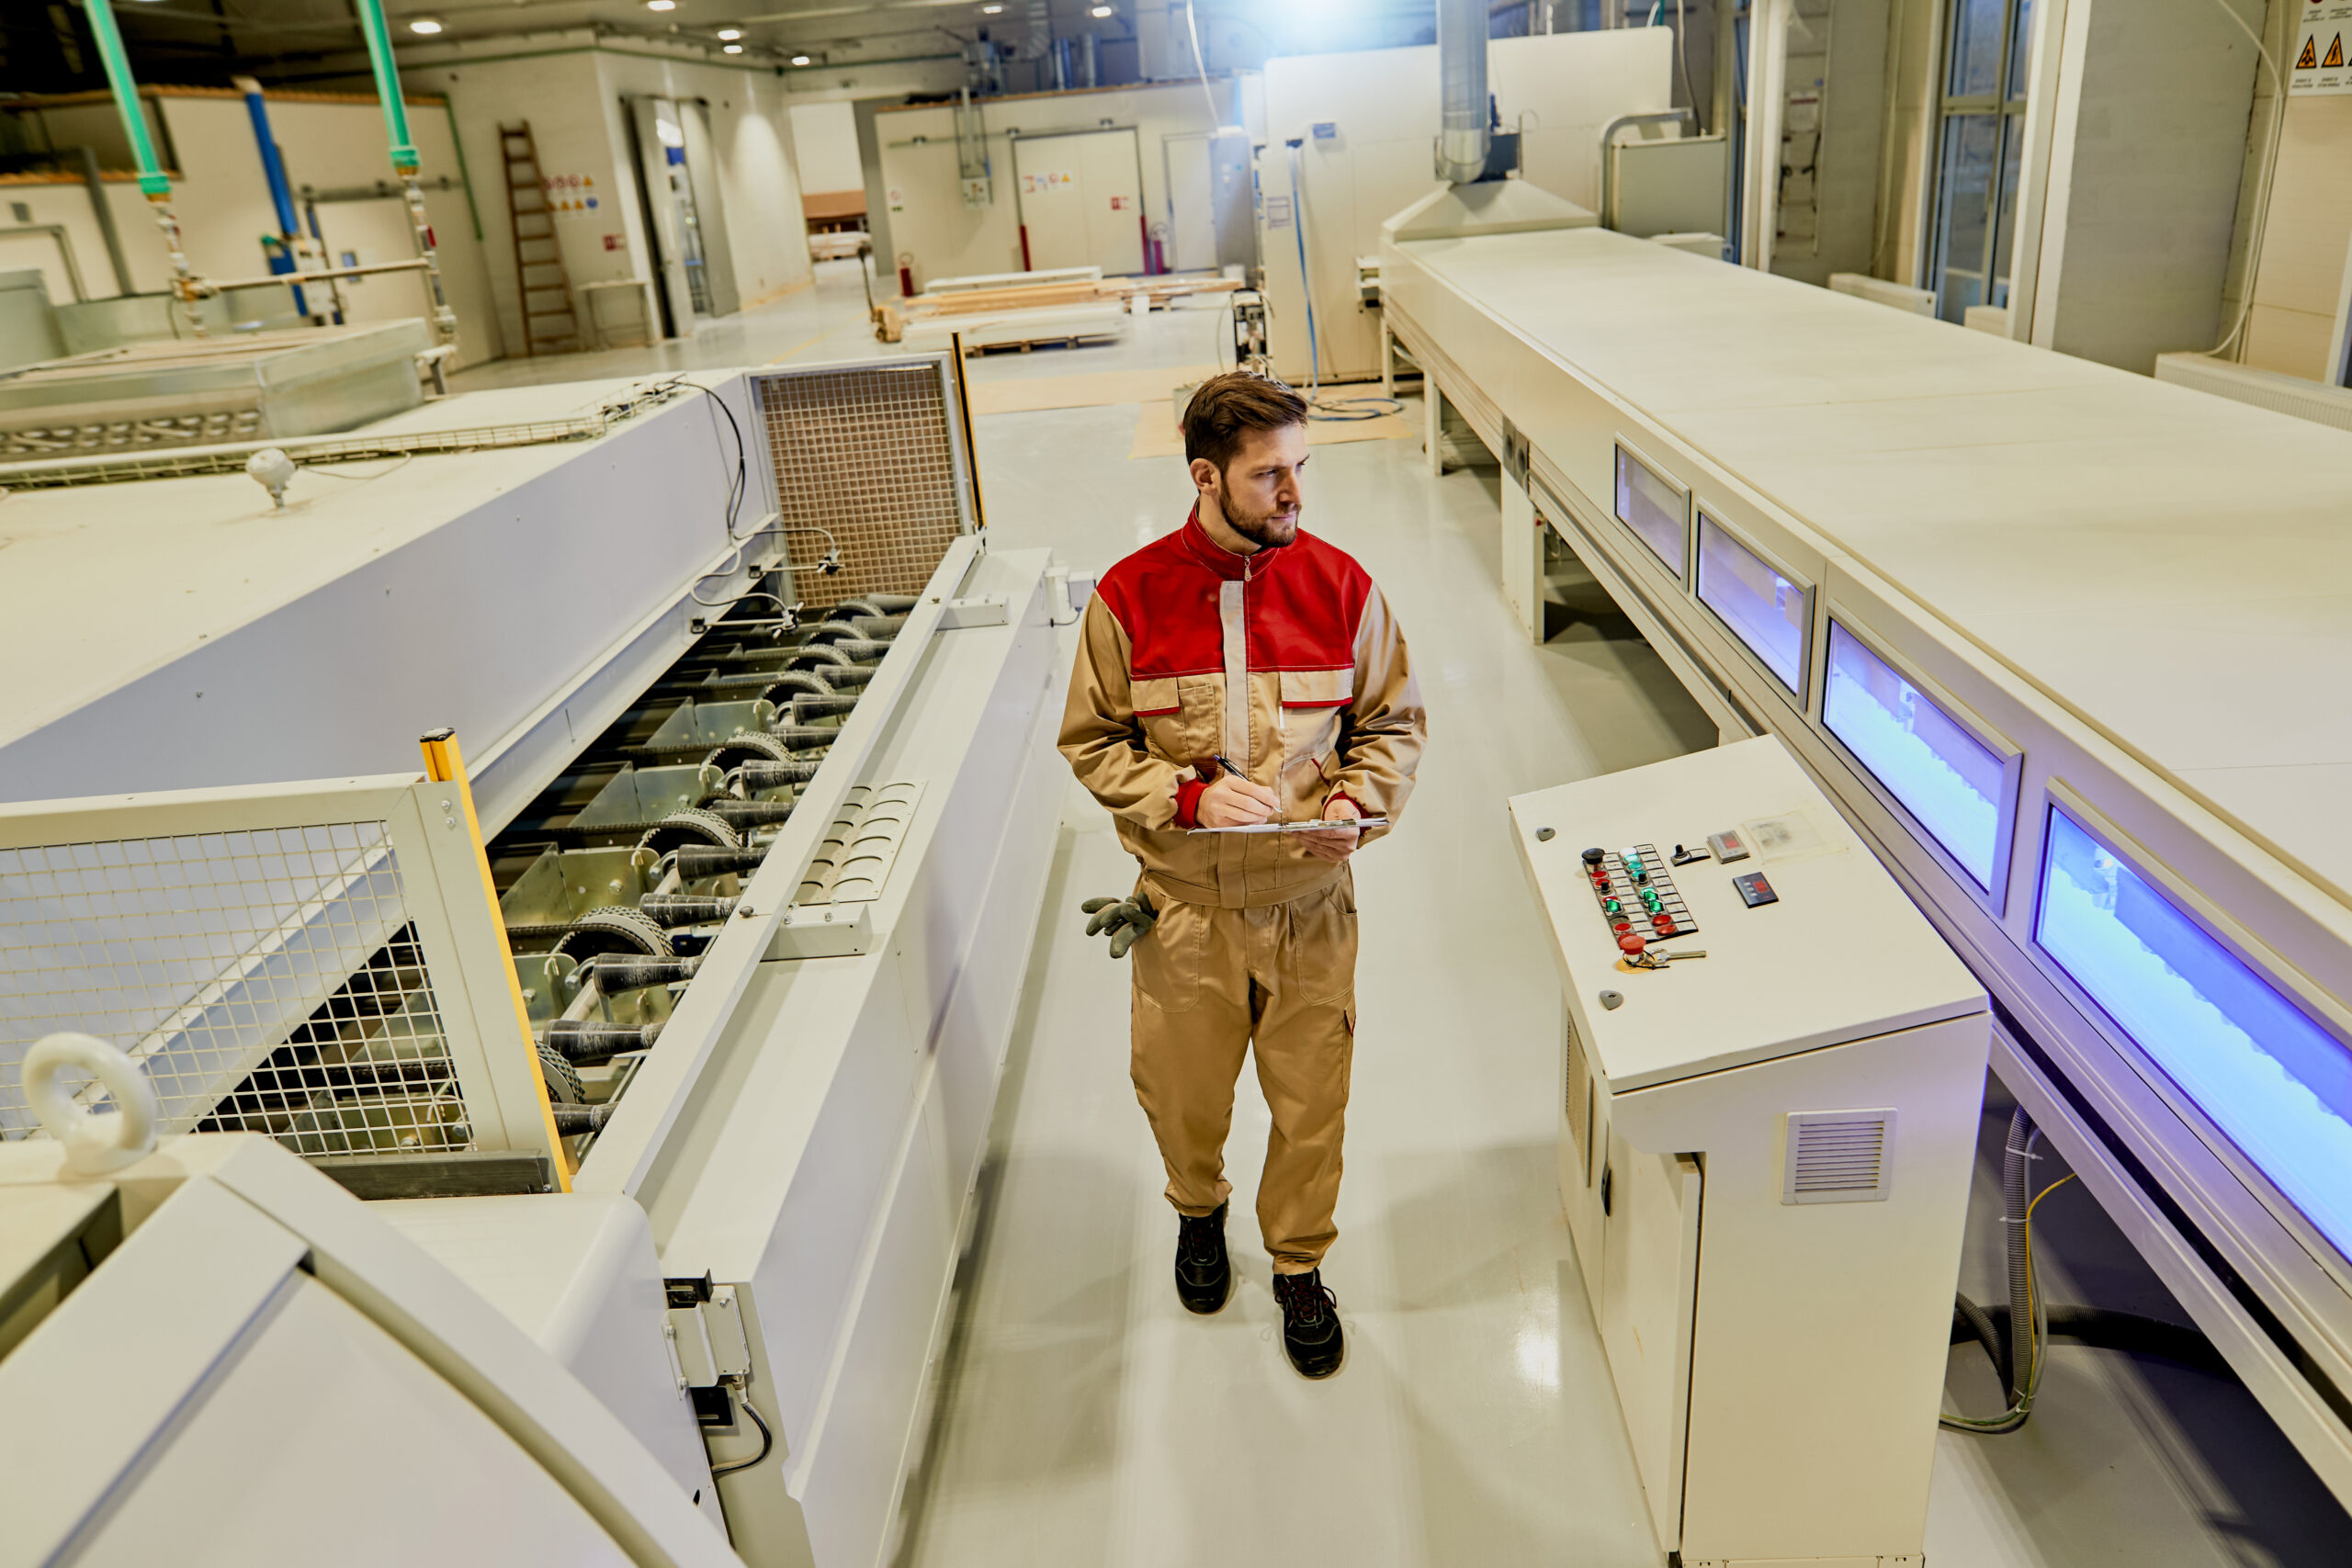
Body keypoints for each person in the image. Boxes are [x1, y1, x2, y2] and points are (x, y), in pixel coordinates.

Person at [1058, 371, 1427, 1379]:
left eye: (1302, 468)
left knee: (1313, 1104)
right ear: (1205, 477)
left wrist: (1357, 806)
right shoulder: (1128, 597)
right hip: (1184, 916)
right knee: (1183, 1097)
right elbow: (1091, 741)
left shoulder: (1343, 587)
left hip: (1310, 907)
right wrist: (1185, 797)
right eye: (1271, 476)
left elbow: (1389, 724)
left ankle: (1299, 1262)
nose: (1295, 494)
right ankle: (1197, 1211)